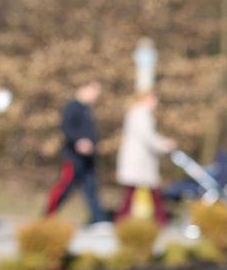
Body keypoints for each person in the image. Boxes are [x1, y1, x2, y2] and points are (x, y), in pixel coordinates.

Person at [44, 80, 109, 225]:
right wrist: (78, 142)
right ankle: (47, 215)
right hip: (73, 157)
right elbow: (66, 128)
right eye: (94, 92)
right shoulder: (72, 107)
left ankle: (98, 219)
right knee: (64, 187)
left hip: (88, 158)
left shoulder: (87, 109)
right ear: (84, 89)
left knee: (91, 188)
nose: (96, 97)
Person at [115, 90, 176, 225]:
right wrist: (164, 144)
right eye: (154, 100)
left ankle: (123, 219)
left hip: (141, 159)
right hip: (138, 159)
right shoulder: (140, 113)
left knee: (140, 190)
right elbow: (147, 137)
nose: (156, 103)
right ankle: (160, 220)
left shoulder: (139, 113)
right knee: (143, 190)